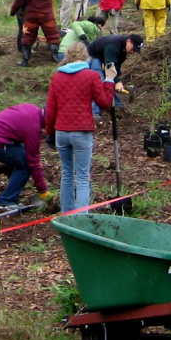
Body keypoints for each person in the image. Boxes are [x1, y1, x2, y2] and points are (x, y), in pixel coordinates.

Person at [47, 43, 116, 215]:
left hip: (62, 131)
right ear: (86, 56)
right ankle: (81, 219)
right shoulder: (91, 76)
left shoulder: (57, 77)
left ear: (68, 56)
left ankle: (66, 215)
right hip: (82, 131)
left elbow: (51, 109)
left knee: (67, 173)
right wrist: (109, 79)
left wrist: (49, 132)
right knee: (83, 177)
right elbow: (105, 103)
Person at [0, 103, 52, 211]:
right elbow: (33, 162)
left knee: (22, 155)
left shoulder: (31, 109)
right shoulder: (33, 129)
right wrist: (43, 190)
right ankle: (6, 201)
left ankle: (12, 169)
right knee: (26, 164)